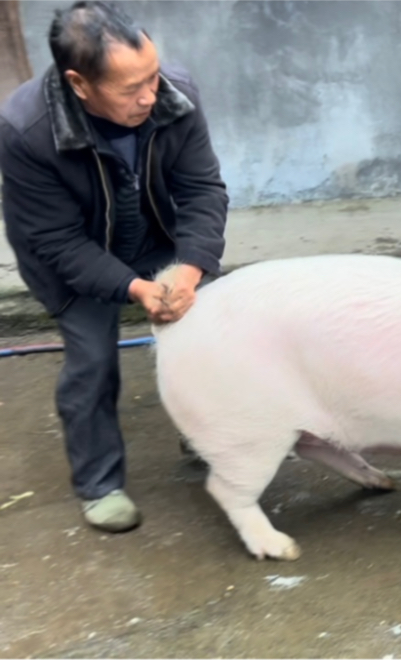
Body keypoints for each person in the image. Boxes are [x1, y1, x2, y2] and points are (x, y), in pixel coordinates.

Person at [0, 1, 228, 532]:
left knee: (205, 333)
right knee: (93, 358)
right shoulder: (24, 129)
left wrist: (190, 268)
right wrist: (132, 288)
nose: (150, 95)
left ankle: (206, 436)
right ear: (80, 84)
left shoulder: (176, 95)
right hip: (74, 251)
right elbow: (57, 240)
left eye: (152, 75)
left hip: (155, 232)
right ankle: (100, 483)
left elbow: (202, 190)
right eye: (131, 88)